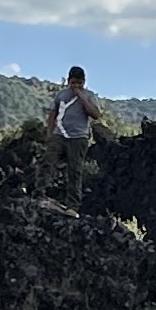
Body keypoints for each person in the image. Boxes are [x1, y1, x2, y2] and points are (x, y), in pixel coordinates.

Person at [42, 63, 108, 207]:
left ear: (84, 82)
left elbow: (95, 115)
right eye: (73, 82)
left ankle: (73, 205)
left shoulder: (90, 96)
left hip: (78, 138)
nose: (76, 85)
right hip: (59, 135)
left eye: (79, 83)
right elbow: (53, 113)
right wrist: (50, 133)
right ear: (68, 81)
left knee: (75, 170)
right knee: (48, 161)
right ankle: (41, 193)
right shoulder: (61, 95)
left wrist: (82, 97)